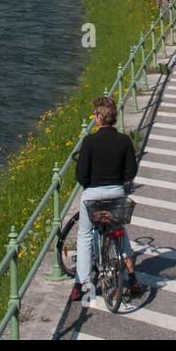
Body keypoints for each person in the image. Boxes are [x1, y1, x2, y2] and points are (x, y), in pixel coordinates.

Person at [71, 96, 143, 301]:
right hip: (116, 193)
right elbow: (131, 171)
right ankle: (132, 277)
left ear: (100, 117)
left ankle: (82, 283)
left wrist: (91, 183)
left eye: (95, 114)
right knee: (120, 232)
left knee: (85, 236)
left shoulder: (90, 141)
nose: (94, 117)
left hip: (93, 195)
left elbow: (81, 175)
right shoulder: (124, 141)